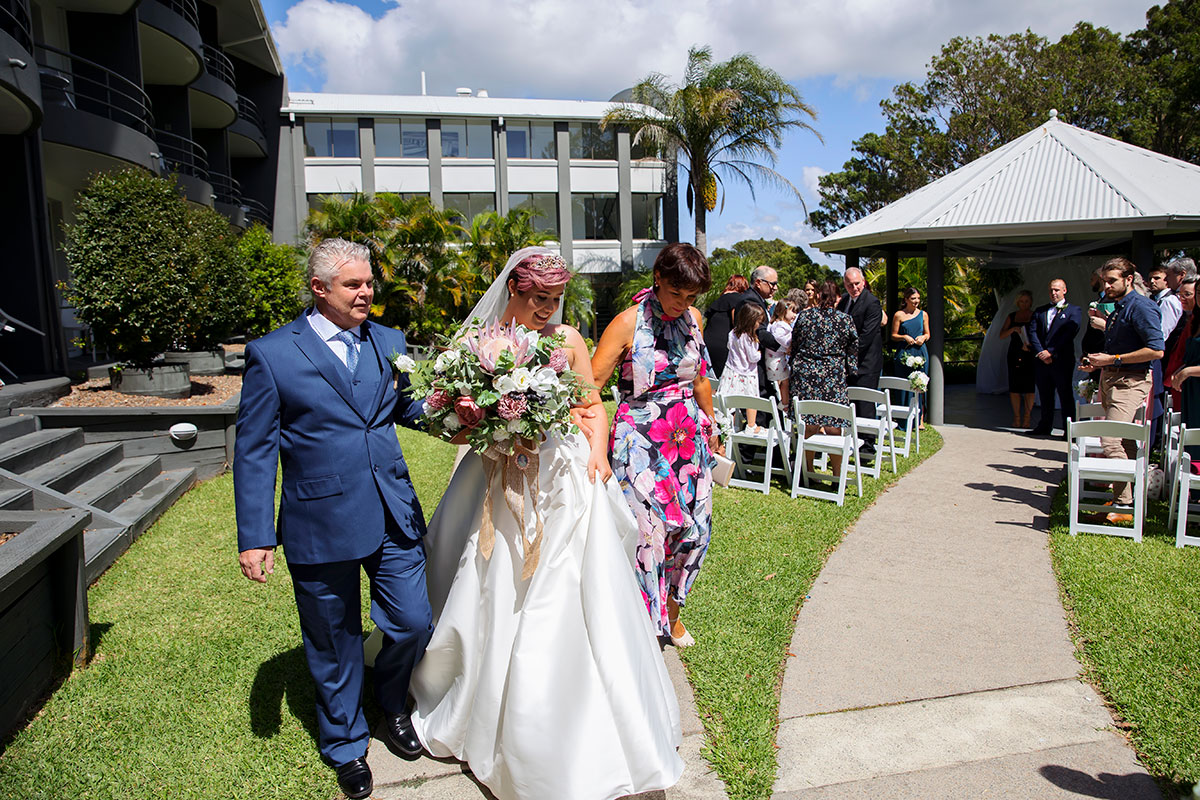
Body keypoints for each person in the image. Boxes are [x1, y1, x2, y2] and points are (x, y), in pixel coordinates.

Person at [410, 247, 684, 800]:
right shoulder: (475, 347)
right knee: (488, 581)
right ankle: (482, 700)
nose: (548, 310)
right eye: (539, 299)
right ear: (513, 290)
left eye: (556, 300)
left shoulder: (569, 341)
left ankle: (573, 722)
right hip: (496, 474)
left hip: (561, 476)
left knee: (567, 588)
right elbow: (455, 425)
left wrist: (600, 454)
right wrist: (480, 422)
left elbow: (591, 405)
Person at [233, 238, 432, 800]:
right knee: (332, 639)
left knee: (413, 621)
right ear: (320, 290)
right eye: (354, 284)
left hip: (394, 511)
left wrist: (473, 412)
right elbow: (254, 452)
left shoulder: (389, 342)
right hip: (320, 520)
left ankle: (391, 703)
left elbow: (409, 408)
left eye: (369, 282)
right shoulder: (273, 354)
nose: (367, 292)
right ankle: (345, 744)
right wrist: (256, 536)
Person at [592, 242, 721, 649]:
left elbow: (699, 377)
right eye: (675, 293)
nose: (682, 304)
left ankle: (673, 610)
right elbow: (590, 386)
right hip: (639, 440)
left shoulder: (693, 319)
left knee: (695, 531)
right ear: (658, 279)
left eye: (690, 297)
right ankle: (644, 628)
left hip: (689, 438)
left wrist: (711, 421)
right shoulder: (627, 323)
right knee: (649, 533)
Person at [1080, 257, 1164, 523]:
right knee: (1126, 442)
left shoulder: (1142, 307)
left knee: (1111, 440)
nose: (1106, 286)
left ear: (1129, 279)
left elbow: (1156, 349)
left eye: (1112, 280)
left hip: (1131, 382)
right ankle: (1124, 500)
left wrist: (1113, 359)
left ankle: (1124, 504)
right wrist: (1097, 363)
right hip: (1113, 380)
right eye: (1104, 281)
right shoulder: (1119, 307)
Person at [790, 280, 858, 474]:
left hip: (806, 375)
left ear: (818, 295)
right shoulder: (845, 320)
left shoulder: (805, 317)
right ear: (837, 298)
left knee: (809, 424)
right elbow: (853, 349)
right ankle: (837, 473)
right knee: (835, 425)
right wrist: (851, 371)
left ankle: (808, 472)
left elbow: (795, 344)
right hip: (833, 375)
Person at [1026, 278, 1081, 436]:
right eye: (1051, 290)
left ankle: (1069, 430)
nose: (1053, 293)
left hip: (1061, 360)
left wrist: (1051, 351)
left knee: (1065, 395)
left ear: (1064, 291)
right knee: (1045, 394)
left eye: (1057, 290)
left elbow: (1069, 332)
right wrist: (1041, 352)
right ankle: (1044, 425)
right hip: (1042, 360)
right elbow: (1033, 332)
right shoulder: (1040, 311)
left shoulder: (1074, 310)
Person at [836, 267, 883, 439]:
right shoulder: (844, 302)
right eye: (850, 285)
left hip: (866, 363)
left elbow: (865, 338)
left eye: (857, 284)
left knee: (865, 406)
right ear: (845, 284)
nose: (854, 288)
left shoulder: (872, 303)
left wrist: (844, 352)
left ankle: (868, 446)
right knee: (850, 405)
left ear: (863, 282)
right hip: (848, 364)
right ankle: (852, 441)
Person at [732, 265, 781, 399]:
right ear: (759, 283)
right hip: (752, 363)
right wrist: (781, 346)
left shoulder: (756, 298)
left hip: (756, 361)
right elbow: (759, 331)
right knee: (760, 400)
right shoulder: (750, 300)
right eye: (773, 284)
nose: (775, 288)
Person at [720, 303, 767, 432]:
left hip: (731, 370)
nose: (759, 325)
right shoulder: (750, 338)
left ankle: (727, 428)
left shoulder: (733, 333)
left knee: (730, 403)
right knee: (751, 399)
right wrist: (760, 353)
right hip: (747, 373)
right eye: (758, 321)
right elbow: (753, 357)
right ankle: (751, 425)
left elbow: (729, 347)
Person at [890, 286, 930, 429]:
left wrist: (923, 337)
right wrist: (904, 337)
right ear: (906, 299)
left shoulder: (923, 314)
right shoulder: (899, 315)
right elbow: (893, 335)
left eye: (918, 298)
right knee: (903, 385)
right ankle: (903, 419)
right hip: (904, 353)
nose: (916, 301)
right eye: (913, 298)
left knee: (920, 384)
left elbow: (928, 333)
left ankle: (920, 420)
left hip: (920, 352)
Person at [998, 290, 1036, 428]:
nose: (1024, 304)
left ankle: (1027, 417)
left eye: (1026, 301)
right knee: (1015, 387)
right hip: (1015, 354)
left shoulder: (1034, 315)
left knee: (1029, 387)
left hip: (1030, 353)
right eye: (1021, 301)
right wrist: (1013, 329)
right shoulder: (1012, 316)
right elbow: (1001, 334)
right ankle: (1017, 417)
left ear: (1030, 302)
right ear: (1017, 302)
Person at [703, 274, 748, 376]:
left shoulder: (718, 300)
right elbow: (736, 322)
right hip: (724, 344)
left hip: (707, 341)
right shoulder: (738, 299)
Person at [1165, 276, 1198, 411]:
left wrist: (1186, 371)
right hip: (1184, 385)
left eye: (1188, 294)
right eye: (1180, 294)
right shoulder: (1191, 320)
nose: (1182, 298)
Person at [766, 299, 798, 401]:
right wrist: (788, 344)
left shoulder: (777, 324)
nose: (795, 315)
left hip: (777, 358)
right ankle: (784, 403)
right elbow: (778, 336)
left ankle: (783, 401)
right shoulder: (780, 325)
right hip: (776, 359)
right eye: (793, 311)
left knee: (783, 381)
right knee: (785, 381)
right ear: (784, 311)